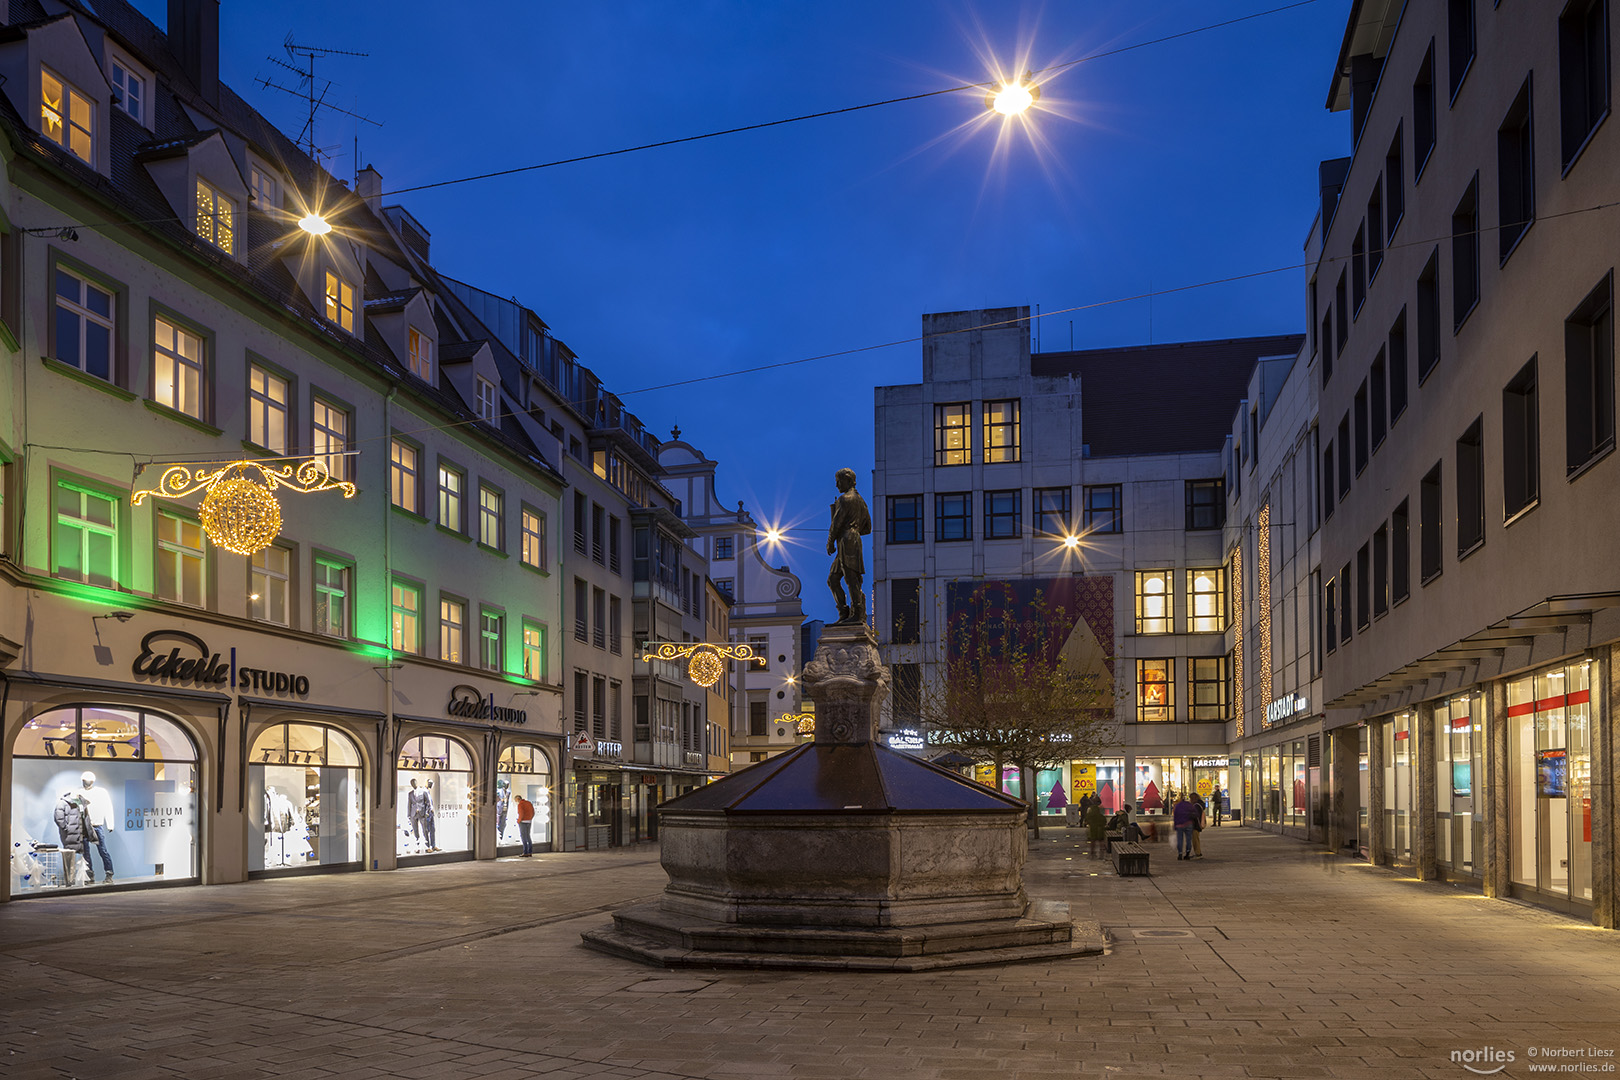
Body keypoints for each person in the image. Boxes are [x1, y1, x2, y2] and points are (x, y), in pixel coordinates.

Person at [825, 468, 872, 625]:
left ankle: (856, 613)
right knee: (833, 579)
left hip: (846, 540)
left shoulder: (845, 499)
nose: (837, 484)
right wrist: (855, 529)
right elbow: (868, 527)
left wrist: (830, 541)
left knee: (851, 579)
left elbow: (836, 523)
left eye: (838, 481)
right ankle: (844, 613)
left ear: (847, 480)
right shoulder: (861, 500)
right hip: (854, 538)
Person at [78, 771, 115, 885]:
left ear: (92, 781)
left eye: (88, 781)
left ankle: (109, 874)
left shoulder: (101, 792)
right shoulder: (78, 792)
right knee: (85, 852)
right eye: (84, 781)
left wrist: (110, 823)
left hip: (97, 825)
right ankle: (89, 876)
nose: (86, 783)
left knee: (102, 850)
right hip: (84, 825)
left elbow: (108, 807)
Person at [1172, 793, 1197, 860]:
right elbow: (1195, 813)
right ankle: (1187, 853)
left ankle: (1180, 853)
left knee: (1180, 839)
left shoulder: (1177, 806)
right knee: (1188, 839)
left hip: (1179, 825)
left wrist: (1175, 825)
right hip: (1189, 823)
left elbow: (1175, 816)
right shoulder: (1189, 805)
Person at [1190, 792, 1206, 859]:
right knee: (1196, 839)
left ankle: (1198, 853)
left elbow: (1195, 815)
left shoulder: (1196, 806)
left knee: (1195, 840)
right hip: (1198, 824)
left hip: (1195, 825)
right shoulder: (1200, 805)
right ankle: (1198, 853)